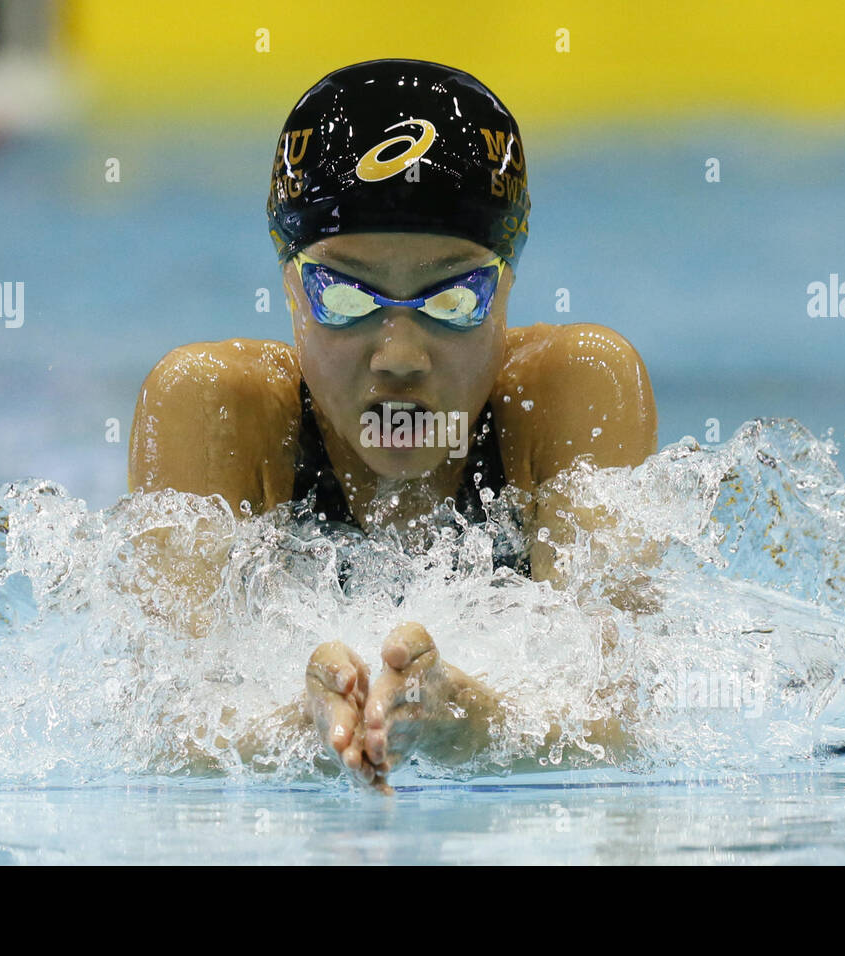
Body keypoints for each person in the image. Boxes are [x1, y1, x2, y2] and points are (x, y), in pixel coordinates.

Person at [128, 58, 657, 792]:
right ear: (289, 288)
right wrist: (303, 727)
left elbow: (628, 723)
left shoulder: (572, 391)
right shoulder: (215, 407)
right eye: (344, 299)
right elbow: (157, 730)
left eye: (453, 301)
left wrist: (471, 721)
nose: (400, 357)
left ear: (508, 285)